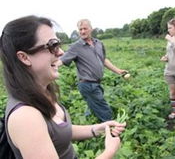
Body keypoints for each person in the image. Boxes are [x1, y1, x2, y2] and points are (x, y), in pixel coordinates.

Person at [0, 15, 126, 159]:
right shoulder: (25, 117)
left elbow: (59, 131)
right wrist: (109, 152)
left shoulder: (43, 92)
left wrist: (95, 129)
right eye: (52, 46)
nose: (60, 52)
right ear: (24, 57)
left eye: (58, 44)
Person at [59, 19, 127, 122]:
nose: (82, 31)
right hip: (87, 84)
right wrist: (48, 67)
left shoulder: (98, 43)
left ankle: (89, 120)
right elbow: (61, 61)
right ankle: (110, 127)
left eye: (85, 28)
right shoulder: (75, 47)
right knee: (104, 110)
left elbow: (103, 59)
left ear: (91, 29)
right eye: (80, 29)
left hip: (97, 83)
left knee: (93, 105)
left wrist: (118, 70)